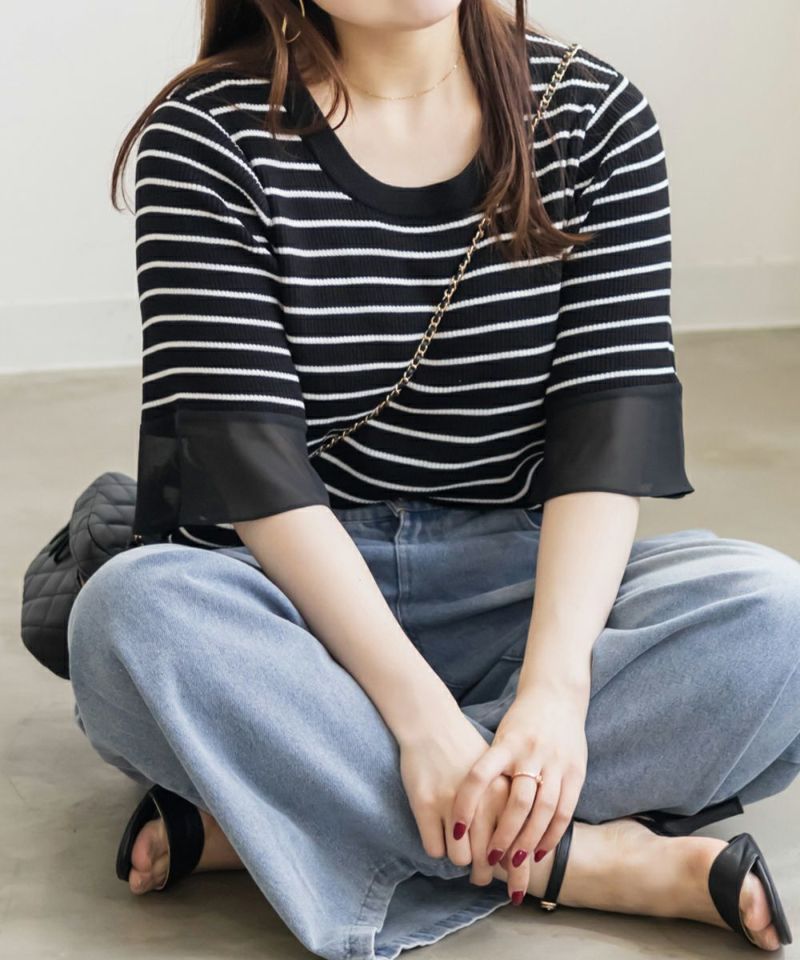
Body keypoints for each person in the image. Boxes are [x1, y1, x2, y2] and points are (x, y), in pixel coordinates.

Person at [67, 1, 800, 957]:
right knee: (130, 621)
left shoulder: (594, 115)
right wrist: (416, 720)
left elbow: (602, 447)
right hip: (291, 606)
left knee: (778, 620)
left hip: (521, 592)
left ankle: (282, 811)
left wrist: (554, 695)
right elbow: (259, 480)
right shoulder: (205, 136)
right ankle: (572, 860)